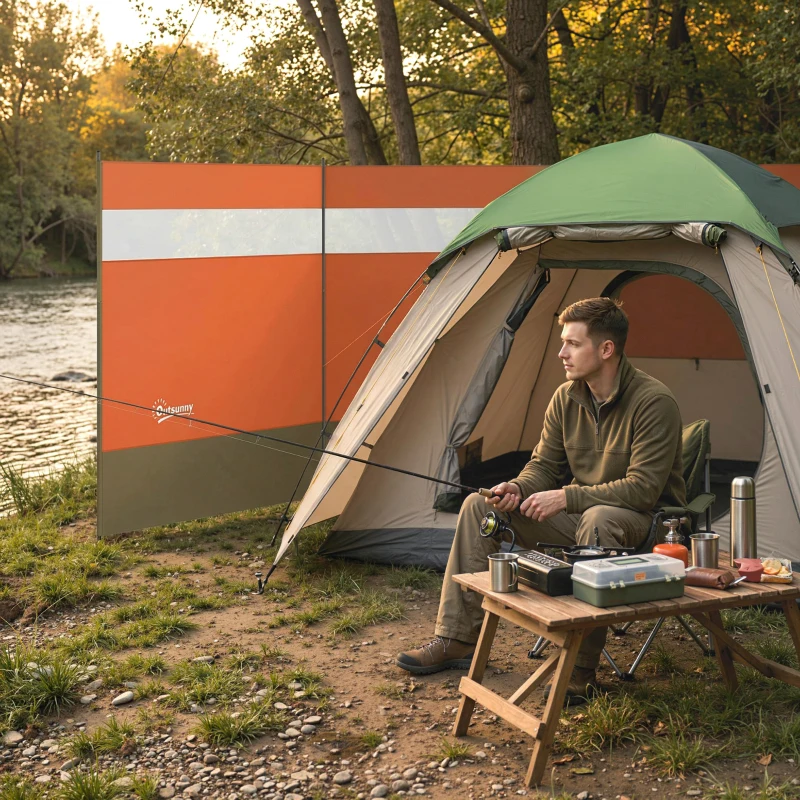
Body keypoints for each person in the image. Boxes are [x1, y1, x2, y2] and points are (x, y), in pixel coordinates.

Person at [395, 297, 686, 702]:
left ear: (606, 350)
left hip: (644, 528)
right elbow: (543, 467)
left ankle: (579, 670)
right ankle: (457, 639)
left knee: (599, 519)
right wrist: (518, 487)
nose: (561, 353)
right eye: (562, 342)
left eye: (572, 343)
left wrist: (566, 497)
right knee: (480, 508)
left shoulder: (654, 402)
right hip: (586, 521)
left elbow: (643, 489)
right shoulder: (566, 398)